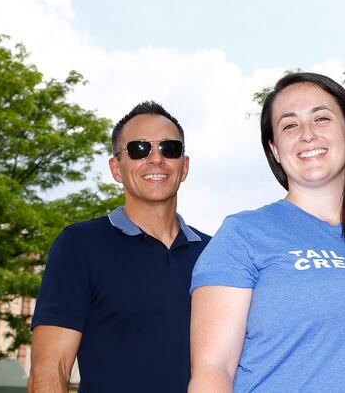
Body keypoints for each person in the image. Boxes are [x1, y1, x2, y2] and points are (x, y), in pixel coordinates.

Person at [188, 72, 345, 392]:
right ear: (274, 149)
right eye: (289, 125)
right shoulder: (242, 235)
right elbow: (212, 370)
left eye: (321, 118)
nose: (307, 134)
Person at [28, 101, 211, 393]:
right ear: (116, 168)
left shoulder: (215, 254)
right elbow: (51, 370)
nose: (156, 159)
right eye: (139, 149)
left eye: (169, 149)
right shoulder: (79, 245)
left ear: (184, 166)